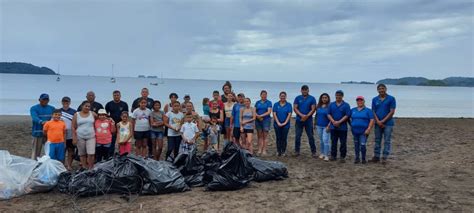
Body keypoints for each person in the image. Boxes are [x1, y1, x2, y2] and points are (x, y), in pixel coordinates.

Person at [371, 84, 397, 164]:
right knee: (377, 140)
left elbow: (392, 111)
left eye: (382, 88)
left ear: (385, 89)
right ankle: (376, 156)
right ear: (377, 90)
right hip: (377, 123)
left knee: (387, 140)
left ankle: (385, 157)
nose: (381, 90)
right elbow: (373, 111)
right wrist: (378, 121)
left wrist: (383, 121)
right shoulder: (375, 99)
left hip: (388, 123)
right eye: (379, 89)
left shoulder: (391, 99)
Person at [327, 90, 351, 163]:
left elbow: (347, 115)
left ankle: (342, 157)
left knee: (343, 142)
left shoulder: (346, 105)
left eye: (340, 95)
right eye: (337, 95)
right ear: (335, 96)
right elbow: (328, 114)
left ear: (342, 96)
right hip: (333, 126)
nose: (338, 96)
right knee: (333, 142)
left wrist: (339, 122)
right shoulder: (331, 104)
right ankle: (333, 156)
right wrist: (333, 121)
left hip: (342, 127)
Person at [293, 85, 317, 157]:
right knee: (297, 136)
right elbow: (295, 108)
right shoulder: (297, 98)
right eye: (303, 90)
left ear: (308, 90)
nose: (304, 91)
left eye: (306, 90)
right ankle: (297, 151)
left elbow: (313, 109)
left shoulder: (312, 98)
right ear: (301, 90)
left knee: (310, 136)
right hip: (299, 120)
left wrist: (306, 116)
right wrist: (302, 115)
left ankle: (313, 152)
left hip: (308, 120)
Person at [72, 101, 97, 170]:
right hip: (80, 136)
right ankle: (84, 167)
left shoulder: (93, 114)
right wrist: (74, 137)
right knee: (82, 153)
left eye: (89, 106)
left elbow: (100, 120)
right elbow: (73, 127)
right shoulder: (76, 114)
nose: (87, 107)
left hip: (91, 136)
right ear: (82, 106)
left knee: (91, 153)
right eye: (86, 106)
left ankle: (91, 168)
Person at [30, 93, 55, 160]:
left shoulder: (52, 108)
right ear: (39, 100)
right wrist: (42, 122)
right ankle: (34, 164)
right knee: (36, 151)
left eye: (47, 100)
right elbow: (34, 117)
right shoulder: (34, 108)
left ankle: (48, 163)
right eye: (43, 99)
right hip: (37, 133)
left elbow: (54, 118)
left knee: (49, 151)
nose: (45, 101)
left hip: (48, 134)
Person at [350, 96, 374, 164]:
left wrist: (369, 129)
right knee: (356, 144)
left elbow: (372, 120)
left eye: (361, 100)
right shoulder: (353, 110)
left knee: (362, 145)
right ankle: (357, 158)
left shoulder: (368, 111)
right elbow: (348, 117)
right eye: (358, 100)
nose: (359, 102)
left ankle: (363, 158)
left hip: (364, 131)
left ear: (364, 101)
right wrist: (351, 125)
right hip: (354, 131)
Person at [105, 90, 129, 156]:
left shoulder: (124, 104)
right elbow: (105, 114)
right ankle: (110, 155)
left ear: (120, 96)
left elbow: (126, 115)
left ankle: (123, 154)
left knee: (122, 140)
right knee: (112, 141)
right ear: (113, 96)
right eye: (115, 95)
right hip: (112, 126)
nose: (116, 96)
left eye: (117, 95)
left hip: (122, 125)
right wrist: (109, 119)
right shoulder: (109, 104)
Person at [273, 91, 292, 157]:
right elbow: (274, 114)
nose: (282, 97)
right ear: (279, 96)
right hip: (277, 124)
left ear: (286, 97)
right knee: (278, 138)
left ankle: (283, 151)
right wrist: (278, 122)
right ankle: (278, 151)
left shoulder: (289, 105)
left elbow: (289, 114)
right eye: (281, 96)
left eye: (284, 96)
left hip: (286, 125)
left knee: (284, 138)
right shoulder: (276, 104)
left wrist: (284, 123)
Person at [60, 96, 77, 170]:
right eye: (64, 101)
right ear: (62, 102)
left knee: (71, 150)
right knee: (62, 151)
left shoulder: (74, 111)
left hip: (70, 134)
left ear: (69, 102)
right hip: (61, 134)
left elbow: (76, 123)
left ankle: (69, 165)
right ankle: (61, 165)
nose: (65, 103)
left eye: (67, 102)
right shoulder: (58, 111)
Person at [255, 90, 272, 156]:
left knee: (265, 136)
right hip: (258, 120)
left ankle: (264, 150)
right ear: (260, 95)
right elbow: (254, 110)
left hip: (266, 120)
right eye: (263, 94)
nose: (264, 95)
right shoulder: (257, 102)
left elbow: (269, 112)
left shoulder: (269, 102)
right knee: (259, 136)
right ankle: (259, 149)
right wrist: (257, 116)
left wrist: (261, 116)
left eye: (265, 94)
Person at [315, 93, 331, 161]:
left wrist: (329, 125)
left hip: (326, 126)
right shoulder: (318, 106)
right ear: (321, 98)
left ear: (328, 98)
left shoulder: (330, 107)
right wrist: (314, 123)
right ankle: (322, 153)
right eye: (323, 98)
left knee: (325, 140)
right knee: (321, 140)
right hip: (318, 125)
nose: (324, 99)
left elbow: (332, 117)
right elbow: (316, 115)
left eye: (325, 98)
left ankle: (326, 155)